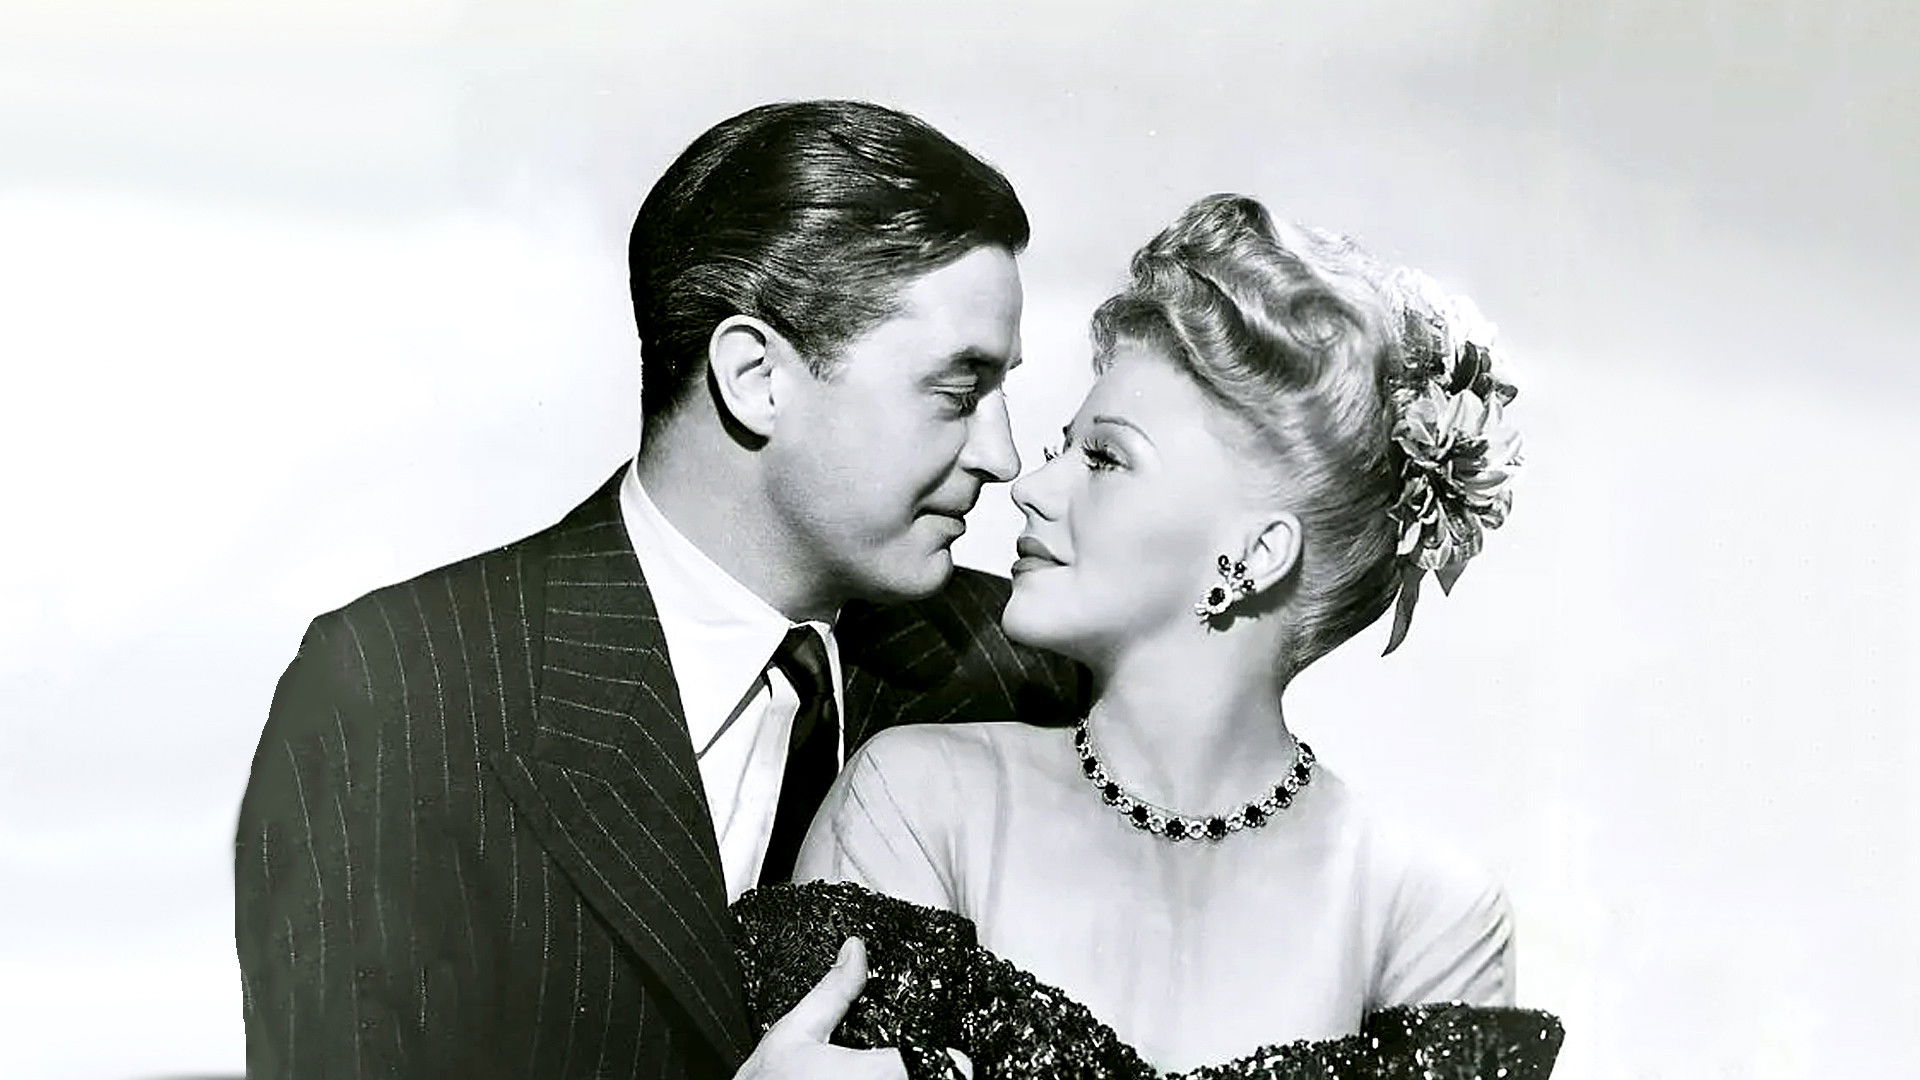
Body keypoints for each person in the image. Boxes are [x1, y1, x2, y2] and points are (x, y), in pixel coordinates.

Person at [233, 99, 1082, 1080]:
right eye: (957, 391)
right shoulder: (398, 695)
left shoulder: (1028, 674)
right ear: (755, 377)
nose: (1003, 455)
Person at [787, 193, 1553, 1077]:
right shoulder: (916, 799)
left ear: (1255, 555)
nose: (1031, 487)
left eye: (1104, 458)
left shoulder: (1426, 909)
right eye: (1063, 449)